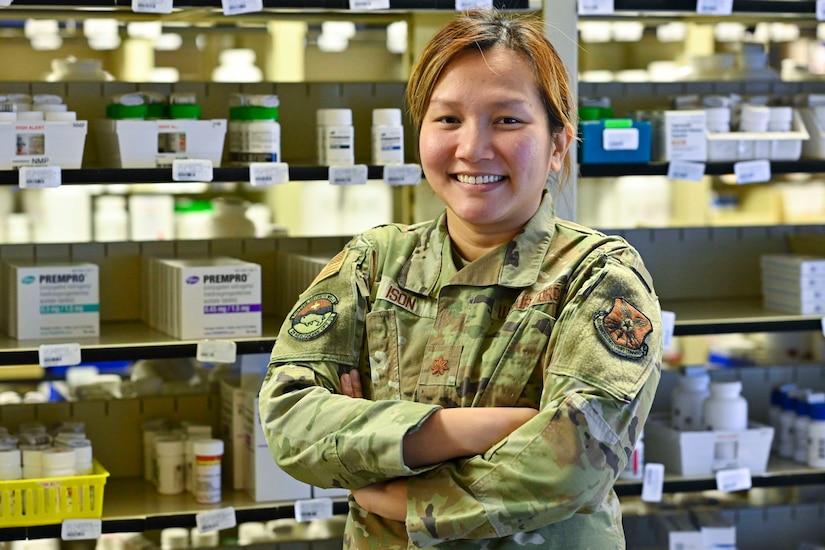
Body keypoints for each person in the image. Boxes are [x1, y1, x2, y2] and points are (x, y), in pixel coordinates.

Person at [259, 8, 662, 549]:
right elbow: (289, 420)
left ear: (558, 145)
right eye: (447, 119)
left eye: (507, 120)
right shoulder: (375, 262)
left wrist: (393, 484)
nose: (472, 148)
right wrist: (473, 430)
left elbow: (574, 459)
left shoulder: (599, 276)